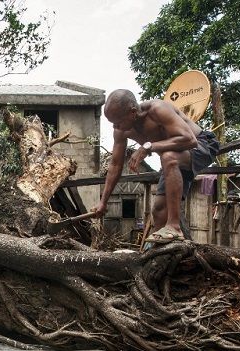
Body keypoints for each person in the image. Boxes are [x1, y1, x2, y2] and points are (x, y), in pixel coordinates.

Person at [91, 89, 220, 243]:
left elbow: (189, 140)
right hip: (175, 158)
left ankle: (174, 227)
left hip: (201, 144)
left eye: (118, 122)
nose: (115, 127)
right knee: (158, 210)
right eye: (112, 123)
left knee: (168, 157)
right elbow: (115, 165)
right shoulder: (121, 131)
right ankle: (163, 255)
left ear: (132, 112)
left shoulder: (158, 109)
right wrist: (103, 202)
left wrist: (147, 147)